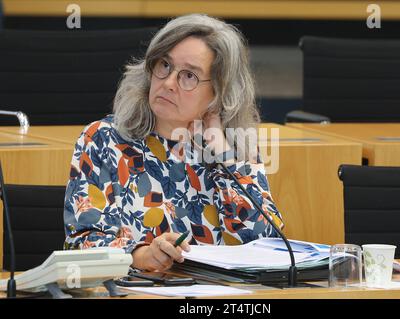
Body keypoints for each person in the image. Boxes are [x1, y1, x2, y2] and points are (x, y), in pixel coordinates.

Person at [63, 14, 284, 272]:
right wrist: (140, 256)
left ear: (219, 93)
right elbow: (81, 242)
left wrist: (223, 153)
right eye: (164, 65)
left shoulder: (234, 148)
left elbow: (266, 244)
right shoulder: (103, 139)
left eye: (189, 76)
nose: (168, 83)